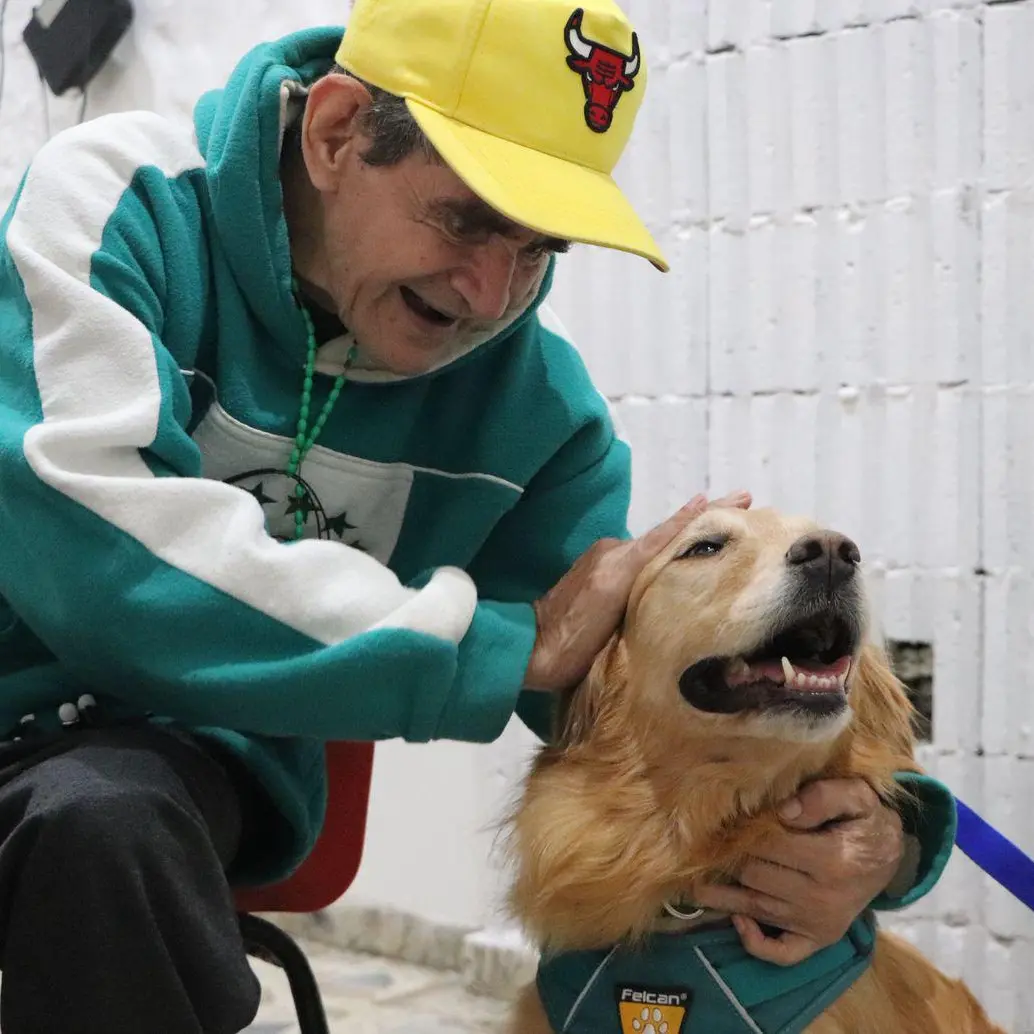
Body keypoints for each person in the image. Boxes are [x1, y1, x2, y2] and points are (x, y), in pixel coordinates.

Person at [0, 0, 955, 1030]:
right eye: (463, 218)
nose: (492, 291)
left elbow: (628, 693)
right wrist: (500, 646)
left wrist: (889, 833)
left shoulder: (543, 418)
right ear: (333, 133)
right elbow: (102, 569)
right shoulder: (112, 203)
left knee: (102, 820)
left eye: (538, 247)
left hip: (155, 775)